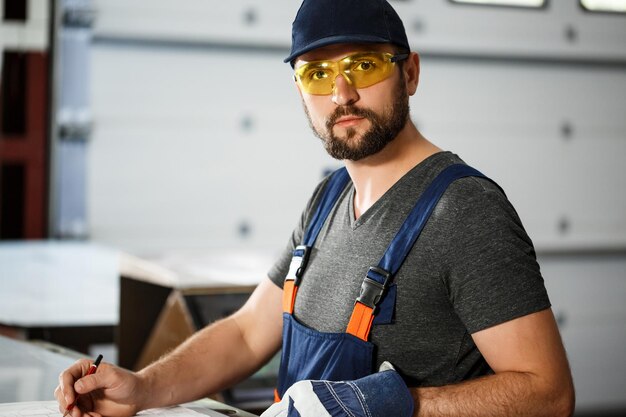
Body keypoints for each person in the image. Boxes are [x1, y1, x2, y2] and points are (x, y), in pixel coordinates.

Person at [55, 0, 575, 416]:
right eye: (318, 75)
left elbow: (548, 394)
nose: (341, 93)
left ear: (410, 73)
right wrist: (143, 387)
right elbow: (245, 334)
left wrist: (397, 405)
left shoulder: (464, 211)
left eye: (364, 66)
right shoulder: (326, 199)